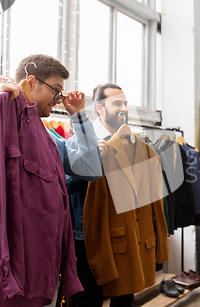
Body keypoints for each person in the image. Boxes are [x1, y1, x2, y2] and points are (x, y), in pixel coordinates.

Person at [0, 54, 102, 307]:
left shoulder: (48, 139)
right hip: (2, 278)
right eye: (56, 90)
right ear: (30, 82)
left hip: (43, 273)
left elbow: (91, 169)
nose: (59, 100)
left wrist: (79, 117)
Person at [67, 83, 135, 307]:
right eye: (117, 103)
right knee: (90, 298)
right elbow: (65, 185)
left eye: (125, 103)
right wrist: (91, 160)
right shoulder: (82, 139)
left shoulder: (130, 140)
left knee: (125, 294)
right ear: (100, 108)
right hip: (90, 235)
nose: (123, 108)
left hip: (123, 231)